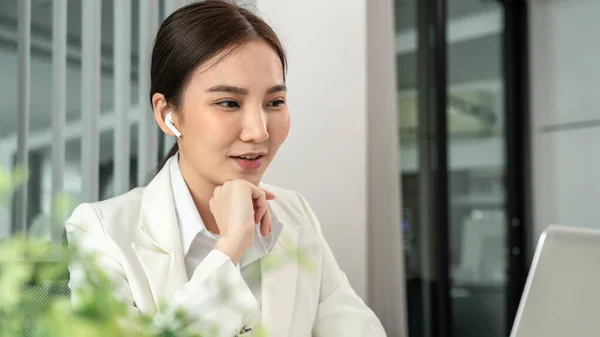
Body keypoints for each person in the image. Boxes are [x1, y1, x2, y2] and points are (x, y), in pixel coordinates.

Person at [65, 1, 387, 337]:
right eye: (229, 103)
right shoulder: (102, 232)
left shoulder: (295, 215)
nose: (259, 131)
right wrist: (230, 248)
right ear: (167, 115)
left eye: (274, 102)